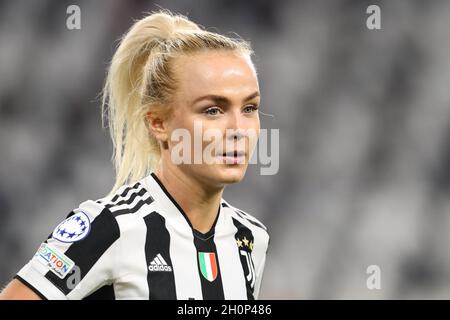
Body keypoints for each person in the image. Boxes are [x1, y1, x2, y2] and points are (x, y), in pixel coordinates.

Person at [0, 9, 269, 300]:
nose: (238, 129)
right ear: (158, 123)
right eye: (212, 110)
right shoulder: (109, 226)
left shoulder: (250, 238)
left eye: (249, 108)